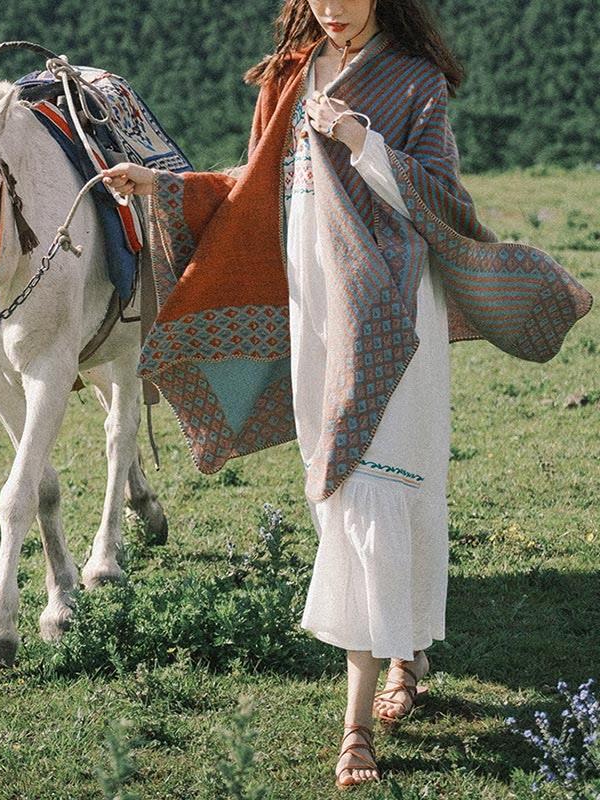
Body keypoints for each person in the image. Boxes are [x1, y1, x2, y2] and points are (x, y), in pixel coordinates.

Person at [103, 0, 591, 788]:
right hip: (314, 308)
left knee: (376, 485)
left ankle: (356, 726)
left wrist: (362, 139)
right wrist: (161, 187)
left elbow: (443, 197)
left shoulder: (412, 79)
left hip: (393, 308)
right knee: (339, 491)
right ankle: (408, 649)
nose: (332, 8)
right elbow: (252, 186)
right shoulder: (289, 78)